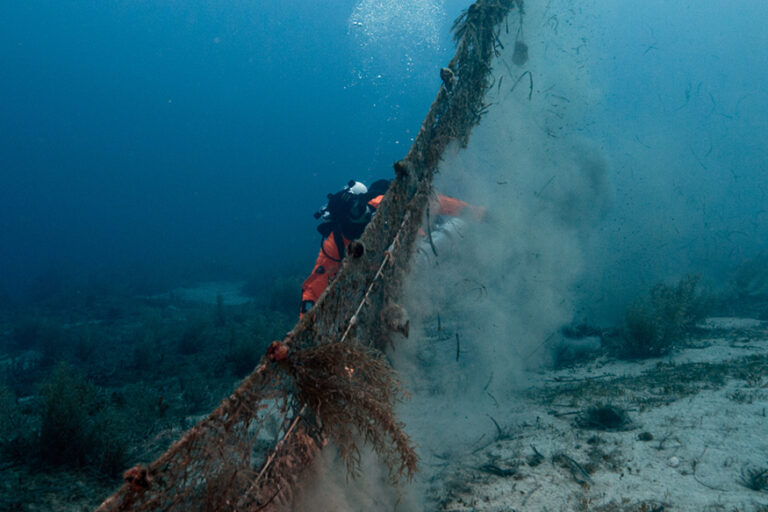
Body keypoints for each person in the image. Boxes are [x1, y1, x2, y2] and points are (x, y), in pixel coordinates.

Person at [299, 179, 483, 317]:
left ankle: (460, 229)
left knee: (432, 250)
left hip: (420, 248)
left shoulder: (381, 203)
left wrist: (476, 212)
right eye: (355, 210)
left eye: (360, 204)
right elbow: (314, 288)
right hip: (390, 278)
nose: (363, 211)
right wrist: (306, 320)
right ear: (344, 220)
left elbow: (436, 203)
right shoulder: (336, 243)